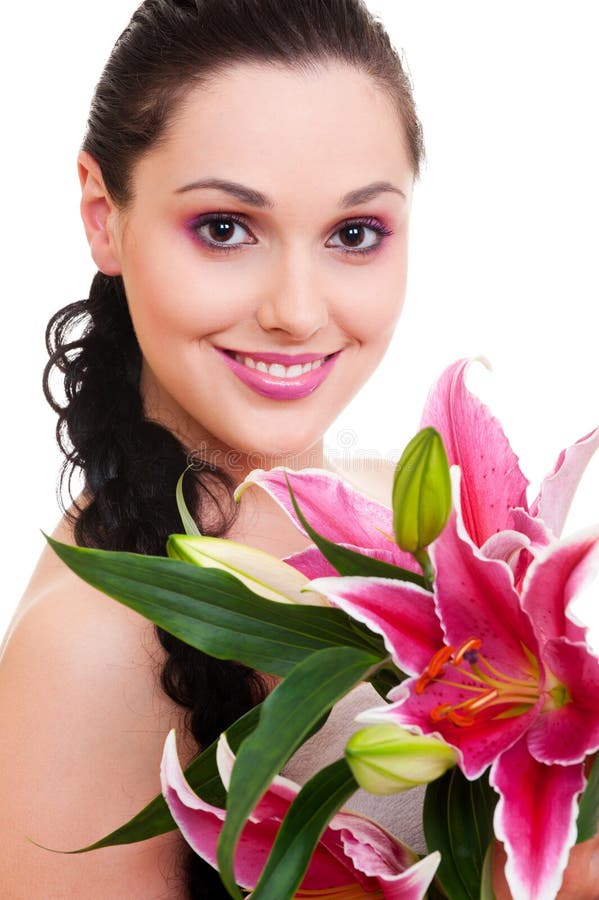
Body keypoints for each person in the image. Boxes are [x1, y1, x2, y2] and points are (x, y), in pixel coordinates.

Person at [0, 1, 596, 897]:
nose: (297, 310)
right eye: (224, 228)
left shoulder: (412, 509)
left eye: (354, 235)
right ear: (101, 215)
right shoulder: (87, 647)